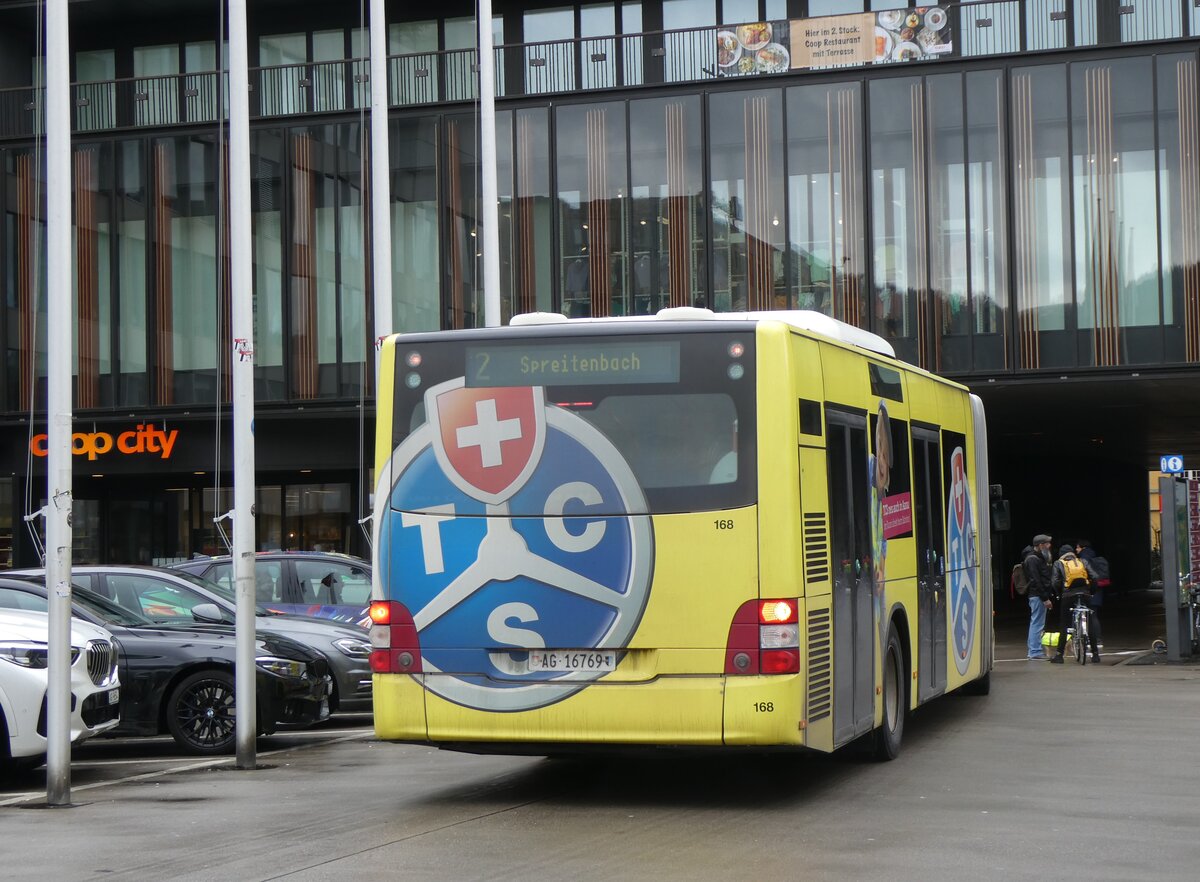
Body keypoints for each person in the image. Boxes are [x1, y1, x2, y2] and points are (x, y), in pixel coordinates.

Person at [1050, 543, 1101, 664]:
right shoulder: (1082, 561)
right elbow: (1094, 577)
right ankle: (1095, 655)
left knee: (1064, 624)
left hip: (1068, 595)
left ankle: (1059, 655)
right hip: (1085, 594)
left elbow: (1055, 582)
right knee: (1090, 621)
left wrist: (1059, 594)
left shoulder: (1058, 563)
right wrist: (1091, 592)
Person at [1023, 534, 1054, 659]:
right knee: (1037, 623)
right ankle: (1035, 651)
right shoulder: (1033, 559)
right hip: (1037, 596)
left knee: (1036, 622)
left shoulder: (1036, 558)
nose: (1049, 546)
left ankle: (1034, 650)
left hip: (1037, 595)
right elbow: (1035, 580)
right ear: (1041, 545)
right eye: (1047, 543)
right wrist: (1045, 598)